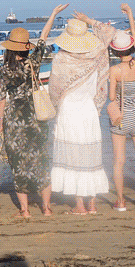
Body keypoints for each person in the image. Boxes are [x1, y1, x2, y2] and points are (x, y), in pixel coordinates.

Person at [0, 3, 66, 218]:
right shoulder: (33, 63)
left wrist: (1, 123)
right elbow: (43, 38)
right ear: (25, 47)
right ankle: (46, 208)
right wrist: (53, 13)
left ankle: (25, 210)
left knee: (19, 165)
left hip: (14, 119)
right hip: (36, 116)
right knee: (42, 162)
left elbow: (1, 99)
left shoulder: (3, 70)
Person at [49, 12, 113, 214]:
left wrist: (55, 107)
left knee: (73, 156)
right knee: (91, 156)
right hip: (89, 110)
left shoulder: (61, 59)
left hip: (69, 111)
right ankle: (92, 203)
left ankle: (79, 205)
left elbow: (54, 91)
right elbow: (110, 32)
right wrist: (89, 20)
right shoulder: (97, 55)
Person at [107, 3, 135, 212]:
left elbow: (111, 98)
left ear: (115, 51)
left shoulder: (115, 70)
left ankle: (121, 202)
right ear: (132, 47)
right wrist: (131, 14)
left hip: (121, 119)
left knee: (119, 162)